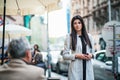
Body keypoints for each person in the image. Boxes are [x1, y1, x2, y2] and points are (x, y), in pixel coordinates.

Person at [62, 15, 94, 80]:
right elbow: (64, 56)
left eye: (79, 23)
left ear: (82, 24)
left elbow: (93, 53)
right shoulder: (69, 37)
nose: (77, 25)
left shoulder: (89, 36)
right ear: (72, 25)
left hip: (88, 68)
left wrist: (91, 55)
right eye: (75, 23)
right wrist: (76, 56)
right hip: (75, 69)